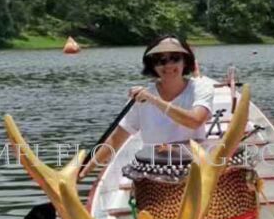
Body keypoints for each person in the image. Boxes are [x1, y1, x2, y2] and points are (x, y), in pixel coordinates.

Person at [81, 35, 213, 177]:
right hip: (154, 172)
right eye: (160, 60)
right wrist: (84, 172)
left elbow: (195, 121)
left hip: (193, 170)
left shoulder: (201, 87)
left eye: (175, 58)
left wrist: (153, 99)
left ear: (185, 61)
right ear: (153, 65)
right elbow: (116, 139)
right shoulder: (141, 99)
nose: (168, 65)